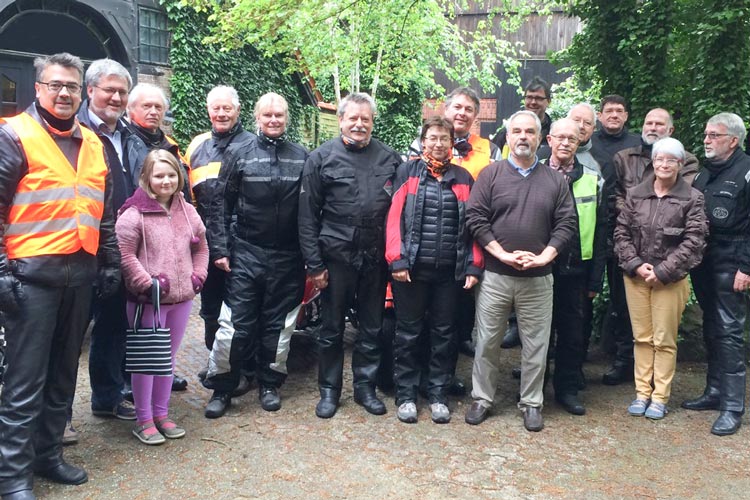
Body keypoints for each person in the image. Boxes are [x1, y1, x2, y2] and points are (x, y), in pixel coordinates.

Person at [0, 52, 120, 500]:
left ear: (81, 91)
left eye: (71, 86)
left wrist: (109, 263)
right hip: (29, 280)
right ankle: (12, 475)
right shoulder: (14, 136)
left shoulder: (94, 142)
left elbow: (102, 214)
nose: (64, 93)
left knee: (64, 375)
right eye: (55, 85)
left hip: (80, 276)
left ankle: (47, 456)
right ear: (38, 89)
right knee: (23, 381)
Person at [465, 110, 576, 432]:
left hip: (539, 280)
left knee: (536, 345)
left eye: (530, 131)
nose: (523, 137)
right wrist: (500, 253)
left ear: (541, 139)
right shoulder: (490, 174)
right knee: (486, 341)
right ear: (508, 136)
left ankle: (531, 403)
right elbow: (476, 217)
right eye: (517, 131)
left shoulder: (555, 180)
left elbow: (567, 223)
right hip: (496, 276)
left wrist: (545, 257)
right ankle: (482, 398)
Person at [202, 93, 307, 418]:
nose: (273, 120)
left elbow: (311, 209)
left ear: (286, 118)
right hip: (247, 252)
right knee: (236, 325)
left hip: (288, 256)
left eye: (279, 115)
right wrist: (220, 249)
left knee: (279, 325)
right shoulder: (239, 153)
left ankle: (270, 383)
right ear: (257, 118)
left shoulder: (302, 157)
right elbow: (220, 203)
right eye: (267, 115)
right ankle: (222, 387)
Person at [299, 92, 402, 419]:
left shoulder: (390, 159)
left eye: (365, 119)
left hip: (375, 257)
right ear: (341, 119)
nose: (359, 124)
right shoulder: (320, 158)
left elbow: (400, 212)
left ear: (372, 121)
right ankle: (329, 391)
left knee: (371, 327)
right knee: (331, 329)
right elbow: (306, 215)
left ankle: (365, 388)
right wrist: (314, 264)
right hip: (335, 256)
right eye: (352, 118)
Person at [385, 116, 483, 424]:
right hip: (411, 271)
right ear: (423, 141)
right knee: (408, 334)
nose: (438, 143)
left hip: (449, 274)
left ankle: (438, 394)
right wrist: (396, 259)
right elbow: (393, 220)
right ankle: (406, 396)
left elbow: (473, 226)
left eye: (444, 138)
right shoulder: (407, 172)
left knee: (444, 334)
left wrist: (472, 264)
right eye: (433, 137)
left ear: (452, 142)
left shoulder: (465, 177)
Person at [116, 150, 208, 445]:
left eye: (171, 175)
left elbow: (201, 246)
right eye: (159, 175)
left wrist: (199, 275)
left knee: (166, 360)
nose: (166, 180)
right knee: (147, 361)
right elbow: (125, 254)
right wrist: (147, 283)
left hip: (182, 299)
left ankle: (161, 412)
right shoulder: (134, 214)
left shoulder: (188, 211)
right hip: (148, 301)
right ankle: (144, 420)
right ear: (146, 178)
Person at [614, 137, 707, 421]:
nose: (664, 164)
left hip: (670, 280)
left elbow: (695, 240)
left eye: (671, 160)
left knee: (664, 340)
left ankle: (660, 397)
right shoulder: (636, 194)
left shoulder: (692, 197)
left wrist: (663, 271)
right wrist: (636, 265)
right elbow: (621, 233)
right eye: (659, 159)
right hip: (637, 277)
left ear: (680, 164)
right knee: (641, 338)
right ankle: (642, 392)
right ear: (652, 162)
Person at [409, 87, 500, 360]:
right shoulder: (420, 144)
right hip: (427, 238)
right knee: (427, 313)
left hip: (470, 237)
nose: (462, 113)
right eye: (457, 107)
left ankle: (450, 371)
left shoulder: (490, 149)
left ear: (476, 116)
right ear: (445, 110)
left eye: (468, 109)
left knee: (459, 311)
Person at [77, 59, 137, 429]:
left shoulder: (127, 134)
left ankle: (107, 397)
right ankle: (57, 418)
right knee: (67, 337)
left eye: (121, 92)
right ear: (91, 91)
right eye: (109, 90)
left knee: (114, 325)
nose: (115, 97)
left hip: (120, 249)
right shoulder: (76, 131)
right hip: (82, 249)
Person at [685, 113, 750, 436]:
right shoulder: (704, 173)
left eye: (714, 135)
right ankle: (713, 392)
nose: (707, 140)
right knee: (711, 325)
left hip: (733, 260)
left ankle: (733, 407)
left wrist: (747, 267)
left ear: (733, 140)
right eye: (706, 134)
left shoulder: (747, 170)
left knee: (730, 332)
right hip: (705, 259)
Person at [125, 82, 191, 391]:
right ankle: (121, 389)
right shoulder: (123, 139)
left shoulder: (170, 145)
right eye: (146, 106)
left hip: (171, 245)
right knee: (128, 327)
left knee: (164, 334)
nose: (153, 111)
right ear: (131, 109)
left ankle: (159, 380)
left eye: (158, 107)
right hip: (137, 243)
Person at [185, 86, 255, 364]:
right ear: (208, 111)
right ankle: (217, 365)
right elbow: (189, 198)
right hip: (207, 242)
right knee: (211, 308)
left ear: (238, 111)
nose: (222, 113)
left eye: (228, 108)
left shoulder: (252, 144)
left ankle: (242, 368)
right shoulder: (197, 146)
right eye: (217, 108)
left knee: (242, 307)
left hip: (245, 242)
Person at [541, 118, 606, 416]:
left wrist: (595, 279)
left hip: (576, 269)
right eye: (561, 138)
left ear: (579, 143)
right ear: (550, 140)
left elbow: (602, 227)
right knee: (538, 332)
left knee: (571, 333)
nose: (566, 143)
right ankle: (535, 389)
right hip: (539, 268)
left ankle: (566, 389)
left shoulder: (592, 176)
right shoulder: (535, 172)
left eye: (572, 139)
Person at [590, 95, 642, 386]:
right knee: (586, 291)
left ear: (626, 115)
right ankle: (576, 354)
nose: (613, 115)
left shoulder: (637, 144)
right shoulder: (589, 143)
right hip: (594, 226)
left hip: (628, 229)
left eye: (619, 111)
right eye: (608, 110)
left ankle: (625, 360)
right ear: (600, 115)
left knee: (625, 298)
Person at [613, 108, 700, 213]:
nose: (653, 128)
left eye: (659, 124)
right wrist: (633, 217)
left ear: (670, 130)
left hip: (669, 225)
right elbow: (616, 196)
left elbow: (682, 197)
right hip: (629, 223)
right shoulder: (624, 158)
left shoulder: (685, 160)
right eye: (649, 123)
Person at [492, 76, 554, 157]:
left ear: (548, 101)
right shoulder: (506, 133)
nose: (533, 102)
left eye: (538, 98)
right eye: (529, 97)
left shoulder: (554, 133)